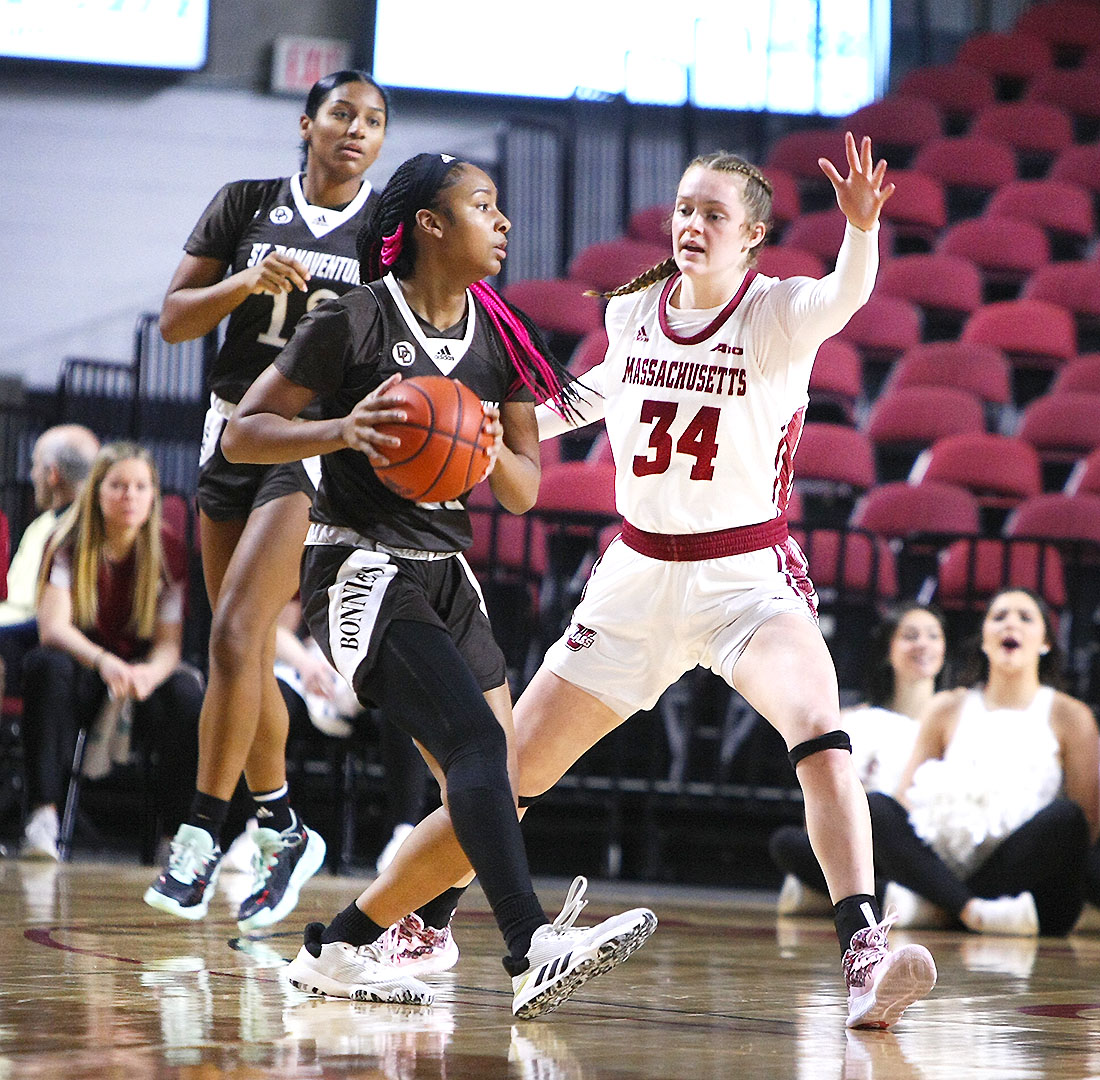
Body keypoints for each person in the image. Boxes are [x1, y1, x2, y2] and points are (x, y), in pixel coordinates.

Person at [316, 133, 940, 1031]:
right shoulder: (637, 307)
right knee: (505, 774)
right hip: (638, 578)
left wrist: (861, 231)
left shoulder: (781, 313)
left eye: (714, 214)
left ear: (754, 236)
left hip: (745, 579)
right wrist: (497, 427)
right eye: (685, 208)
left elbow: (848, 291)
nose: (691, 224)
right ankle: (415, 921)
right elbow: (594, 393)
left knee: (819, 730)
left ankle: (863, 949)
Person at [222, 151, 657, 1017]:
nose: (502, 222)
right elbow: (243, 434)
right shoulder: (350, 320)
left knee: (501, 791)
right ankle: (531, 946)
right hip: (359, 563)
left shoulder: (498, 338)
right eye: (482, 205)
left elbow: (525, 490)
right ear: (427, 224)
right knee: (478, 754)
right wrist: (342, 429)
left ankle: (339, 945)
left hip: (448, 571)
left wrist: (490, 442)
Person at [144, 70, 389, 933]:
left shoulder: (385, 229)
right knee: (233, 653)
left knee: (242, 632)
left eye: (372, 121)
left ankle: (202, 833)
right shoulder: (245, 201)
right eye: (342, 114)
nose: (356, 130)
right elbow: (174, 318)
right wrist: (246, 286)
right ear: (307, 122)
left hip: (312, 444)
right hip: (228, 429)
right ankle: (283, 826)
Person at [867, 587, 1100, 937]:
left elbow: (1090, 823)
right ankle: (970, 909)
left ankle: (936, 907)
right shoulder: (947, 707)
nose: (1011, 625)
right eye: (999, 616)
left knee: (1068, 820)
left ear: (1045, 642)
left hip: (1027, 885)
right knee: (875, 808)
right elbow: (905, 799)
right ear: (984, 640)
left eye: (1025, 617)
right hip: (949, 864)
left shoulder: (1071, 715)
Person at [19, 443, 202, 860]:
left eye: (140, 486)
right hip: (85, 664)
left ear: (154, 495)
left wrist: (148, 675)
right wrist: (104, 662)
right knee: (45, 666)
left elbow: (169, 646)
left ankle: (175, 836)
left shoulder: (168, 549)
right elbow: (53, 629)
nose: (130, 496)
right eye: (118, 485)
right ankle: (42, 817)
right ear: (97, 491)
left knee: (186, 695)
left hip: (138, 671)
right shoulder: (66, 540)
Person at [771, 603, 948, 915]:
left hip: (924, 847)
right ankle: (901, 901)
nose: (923, 644)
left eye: (933, 636)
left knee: (881, 813)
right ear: (888, 649)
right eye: (910, 636)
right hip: (864, 847)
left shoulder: (955, 717)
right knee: (788, 843)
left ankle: (840, 896)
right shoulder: (854, 720)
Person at [0, 425, 100, 694]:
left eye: (34, 466)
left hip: (36, 637)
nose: (32, 475)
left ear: (52, 474)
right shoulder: (42, 523)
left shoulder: (83, 530)